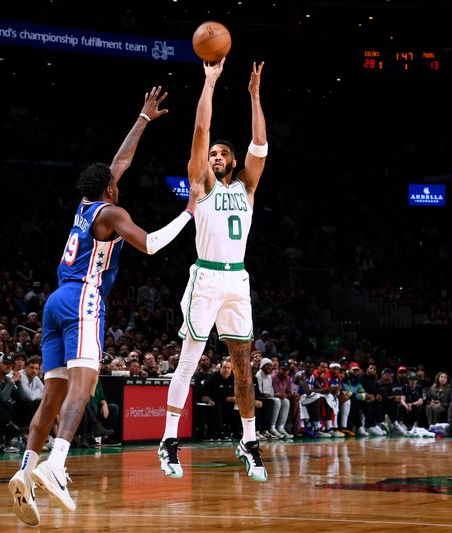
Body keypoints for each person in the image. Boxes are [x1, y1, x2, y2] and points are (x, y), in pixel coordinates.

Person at [9, 86, 198, 523]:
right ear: (111, 189)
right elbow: (150, 244)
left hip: (55, 301)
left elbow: (119, 161)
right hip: (83, 298)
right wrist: (188, 212)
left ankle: (25, 470)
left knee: (53, 395)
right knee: (85, 383)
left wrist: (143, 119)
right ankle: (56, 463)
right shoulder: (111, 213)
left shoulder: (87, 203)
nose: (119, 179)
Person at [159, 58, 268, 482]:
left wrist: (254, 96)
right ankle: (169, 440)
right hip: (205, 277)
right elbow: (201, 130)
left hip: (237, 280)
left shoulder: (247, 187)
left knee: (243, 367)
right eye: (213, 155)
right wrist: (210, 82)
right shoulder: (201, 185)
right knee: (188, 361)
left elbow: (260, 143)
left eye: (223, 154)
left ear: (234, 161)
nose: (216, 157)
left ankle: (249, 441)